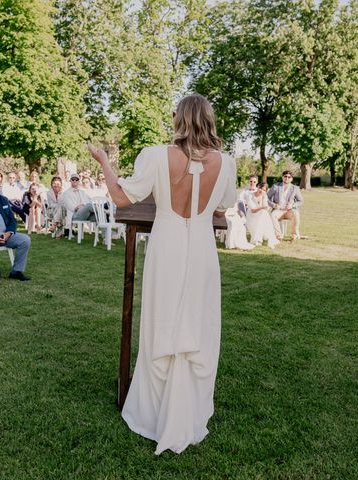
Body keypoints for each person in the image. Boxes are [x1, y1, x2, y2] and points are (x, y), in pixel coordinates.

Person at [88, 93, 237, 455]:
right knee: (198, 325)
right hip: (201, 248)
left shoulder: (155, 156)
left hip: (167, 246)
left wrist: (104, 161)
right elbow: (225, 204)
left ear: (180, 119)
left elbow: (123, 198)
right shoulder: (227, 163)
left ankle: (156, 413)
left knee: (162, 322)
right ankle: (189, 410)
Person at [267, 170, 304, 240]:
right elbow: (266, 198)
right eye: (285, 176)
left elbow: (301, 201)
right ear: (282, 177)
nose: (287, 178)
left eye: (289, 177)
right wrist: (274, 205)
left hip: (289, 211)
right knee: (272, 215)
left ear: (291, 179)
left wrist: (292, 205)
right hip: (278, 210)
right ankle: (279, 235)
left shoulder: (295, 188)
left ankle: (294, 234)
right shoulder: (276, 186)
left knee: (296, 214)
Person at [246, 182, 279, 248]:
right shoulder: (250, 195)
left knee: (263, 214)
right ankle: (259, 239)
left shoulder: (264, 196)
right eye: (260, 188)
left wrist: (262, 198)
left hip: (261, 215)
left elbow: (265, 207)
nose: (261, 191)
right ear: (257, 187)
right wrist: (262, 207)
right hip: (251, 216)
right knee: (264, 214)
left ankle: (260, 240)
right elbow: (253, 210)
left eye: (264, 190)